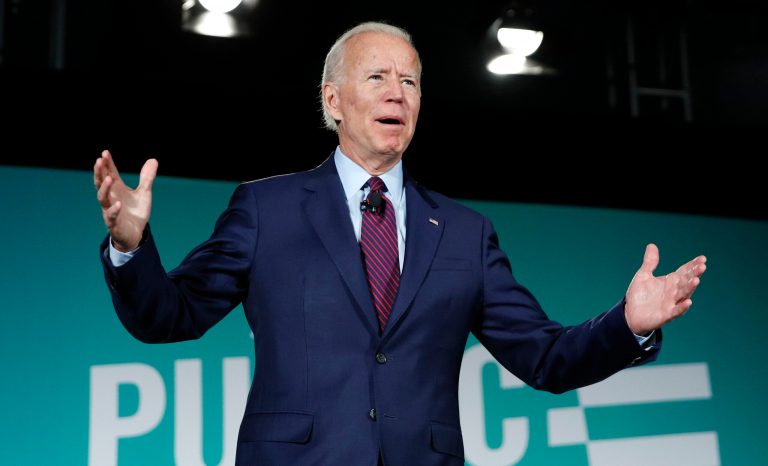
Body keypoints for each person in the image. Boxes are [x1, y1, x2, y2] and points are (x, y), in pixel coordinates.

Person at [94, 21, 707, 466]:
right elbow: (170, 316)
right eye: (378, 77)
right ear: (333, 100)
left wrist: (629, 324)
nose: (398, 93)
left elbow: (544, 358)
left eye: (410, 82)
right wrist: (131, 243)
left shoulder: (465, 232)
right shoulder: (267, 209)